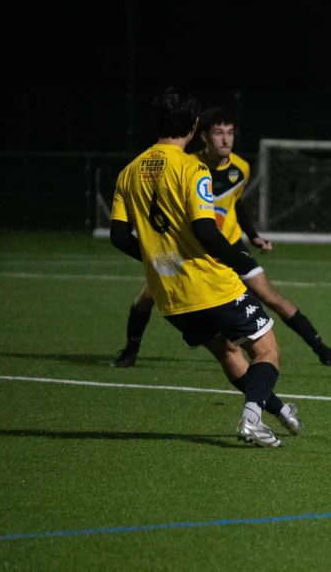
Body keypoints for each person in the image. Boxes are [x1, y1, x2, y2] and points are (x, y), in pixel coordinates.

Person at [109, 88, 299, 448]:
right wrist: (240, 260)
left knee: (228, 352)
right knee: (267, 349)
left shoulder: (129, 172)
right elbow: (205, 230)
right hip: (211, 284)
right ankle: (251, 420)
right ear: (195, 126)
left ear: (155, 122)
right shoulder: (193, 168)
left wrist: (158, 258)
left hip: (171, 295)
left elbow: (119, 236)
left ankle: (276, 408)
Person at [112, 107, 331, 369]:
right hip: (192, 250)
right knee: (146, 298)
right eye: (218, 133)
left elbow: (235, 203)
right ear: (203, 136)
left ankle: (322, 350)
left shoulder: (240, 168)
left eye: (230, 133)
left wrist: (254, 237)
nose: (226, 140)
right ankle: (130, 352)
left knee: (271, 297)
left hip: (230, 246)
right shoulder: (186, 165)